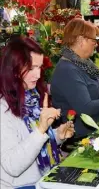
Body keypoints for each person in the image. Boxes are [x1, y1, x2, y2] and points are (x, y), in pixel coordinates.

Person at [0, 37, 75, 189]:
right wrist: (41, 129)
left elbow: (29, 141)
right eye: (32, 68)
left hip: (43, 179)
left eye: (40, 67)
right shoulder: (3, 108)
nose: (38, 75)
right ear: (13, 69)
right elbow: (12, 166)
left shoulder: (32, 96)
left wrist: (56, 135)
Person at [50, 18, 99, 140]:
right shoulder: (68, 70)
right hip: (80, 138)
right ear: (81, 40)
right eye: (94, 40)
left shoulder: (83, 65)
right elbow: (86, 108)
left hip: (94, 132)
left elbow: (93, 94)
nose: (96, 44)